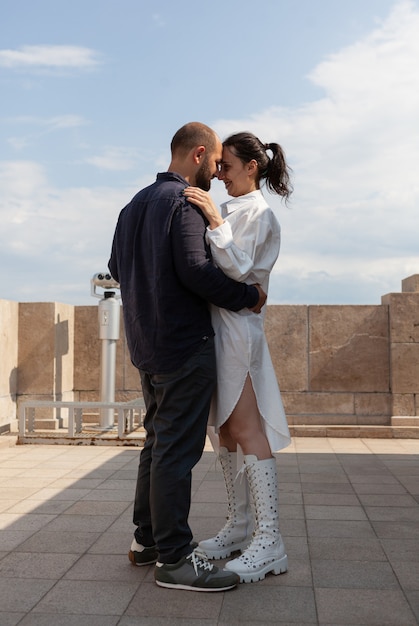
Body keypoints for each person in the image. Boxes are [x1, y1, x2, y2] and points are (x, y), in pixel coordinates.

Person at [108, 122, 267, 592]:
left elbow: (118, 269)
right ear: (199, 154)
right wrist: (248, 296)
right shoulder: (186, 202)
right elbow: (198, 272)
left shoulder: (132, 205)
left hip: (145, 346)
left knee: (157, 445)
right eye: (216, 162)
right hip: (182, 346)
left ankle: (147, 543)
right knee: (176, 450)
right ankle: (175, 559)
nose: (217, 173)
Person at [183, 131, 293, 583]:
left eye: (226, 166)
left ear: (252, 166)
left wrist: (211, 217)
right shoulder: (229, 209)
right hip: (215, 332)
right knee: (223, 430)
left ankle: (270, 540)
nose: (219, 174)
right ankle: (239, 525)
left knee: (247, 428)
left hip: (240, 334)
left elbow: (242, 270)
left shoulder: (262, 215)